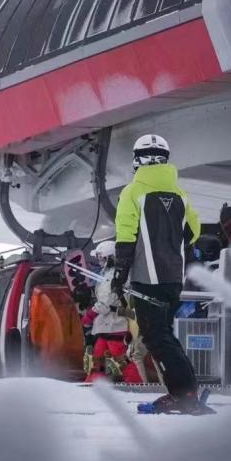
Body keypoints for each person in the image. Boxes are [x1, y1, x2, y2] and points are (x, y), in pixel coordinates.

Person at [113, 134, 205, 413]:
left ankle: (182, 395)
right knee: (166, 334)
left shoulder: (132, 192)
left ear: (137, 160)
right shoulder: (180, 194)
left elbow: (126, 235)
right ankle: (187, 389)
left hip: (146, 279)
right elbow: (194, 232)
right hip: (173, 279)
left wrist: (120, 275)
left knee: (155, 337)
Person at [84, 241, 133, 382]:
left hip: (115, 325)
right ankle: (93, 383)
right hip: (106, 326)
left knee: (121, 360)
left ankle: (134, 384)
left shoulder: (112, 277)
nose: (98, 260)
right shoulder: (108, 275)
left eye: (100, 257)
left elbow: (105, 304)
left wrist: (90, 315)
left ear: (109, 258)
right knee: (97, 357)